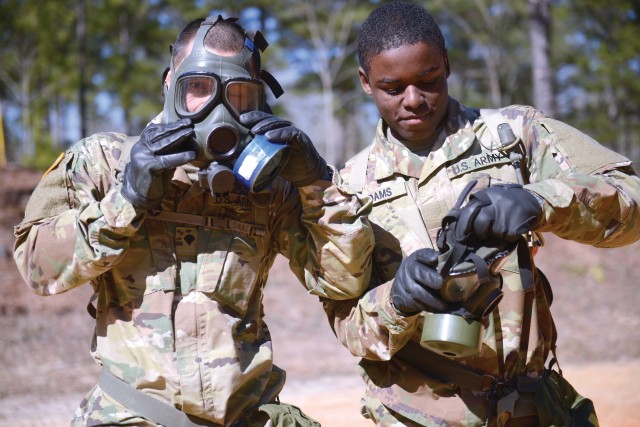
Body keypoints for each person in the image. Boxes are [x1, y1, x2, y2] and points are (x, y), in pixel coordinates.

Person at [13, 15, 373, 427]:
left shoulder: (270, 188)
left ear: (257, 101)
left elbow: (344, 279)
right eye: (198, 89)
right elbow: (37, 269)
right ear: (171, 84)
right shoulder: (104, 162)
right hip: (133, 415)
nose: (217, 108)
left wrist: (316, 183)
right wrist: (127, 198)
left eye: (237, 95)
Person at [323, 1, 640, 426]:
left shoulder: (514, 137)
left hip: (531, 409)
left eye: (428, 79)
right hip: (420, 415)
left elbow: (631, 202)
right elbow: (348, 327)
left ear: (447, 65)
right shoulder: (348, 190)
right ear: (366, 82)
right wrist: (396, 299)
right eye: (392, 88)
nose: (413, 100)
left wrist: (540, 201)